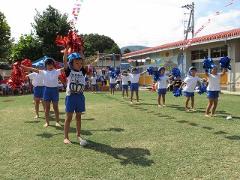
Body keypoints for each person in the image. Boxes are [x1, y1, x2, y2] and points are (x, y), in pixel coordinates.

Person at [22, 58, 63, 128]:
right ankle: (47, 122)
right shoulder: (43, 72)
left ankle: (57, 121)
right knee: (47, 107)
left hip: (55, 91)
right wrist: (25, 67)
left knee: (55, 107)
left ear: (53, 65)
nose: (50, 66)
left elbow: (65, 68)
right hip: (46, 90)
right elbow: (34, 69)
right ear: (46, 66)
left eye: (51, 64)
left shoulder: (56, 71)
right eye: (48, 65)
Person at [63, 50, 87, 146]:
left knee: (78, 117)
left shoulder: (83, 71)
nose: (79, 65)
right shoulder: (69, 71)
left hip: (80, 97)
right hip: (71, 97)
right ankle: (66, 137)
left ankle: (78, 135)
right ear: (71, 64)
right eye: (76, 63)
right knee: (69, 117)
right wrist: (65, 52)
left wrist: (81, 50)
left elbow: (84, 61)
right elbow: (65, 61)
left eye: (80, 63)